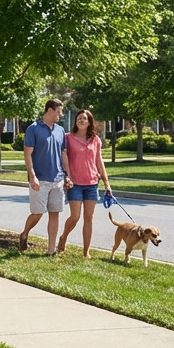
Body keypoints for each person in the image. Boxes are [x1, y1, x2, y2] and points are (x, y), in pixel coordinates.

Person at [19, 99, 72, 255]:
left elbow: (63, 154)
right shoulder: (33, 129)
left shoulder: (60, 130)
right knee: (38, 213)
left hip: (57, 179)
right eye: (58, 111)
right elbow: (27, 154)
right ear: (49, 110)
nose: (60, 115)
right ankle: (24, 234)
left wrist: (67, 175)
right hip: (40, 179)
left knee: (55, 213)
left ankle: (51, 251)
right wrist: (32, 176)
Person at [56, 109, 111, 258]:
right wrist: (66, 176)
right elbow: (62, 158)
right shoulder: (68, 138)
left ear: (89, 122)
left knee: (89, 218)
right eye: (79, 118)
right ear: (75, 121)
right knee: (75, 216)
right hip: (74, 183)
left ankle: (86, 251)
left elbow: (99, 161)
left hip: (92, 183)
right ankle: (63, 237)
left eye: (84, 119)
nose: (81, 120)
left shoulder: (95, 140)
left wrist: (106, 182)